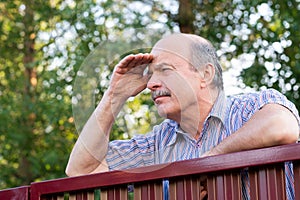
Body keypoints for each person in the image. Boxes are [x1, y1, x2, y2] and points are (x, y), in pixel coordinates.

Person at [66, 33, 300, 199]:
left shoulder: (250, 107)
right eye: (150, 75)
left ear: (205, 74)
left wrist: (206, 164)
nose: (152, 84)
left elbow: (282, 126)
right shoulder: (158, 143)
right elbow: (81, 169)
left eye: (166, 70)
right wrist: (114, 96)